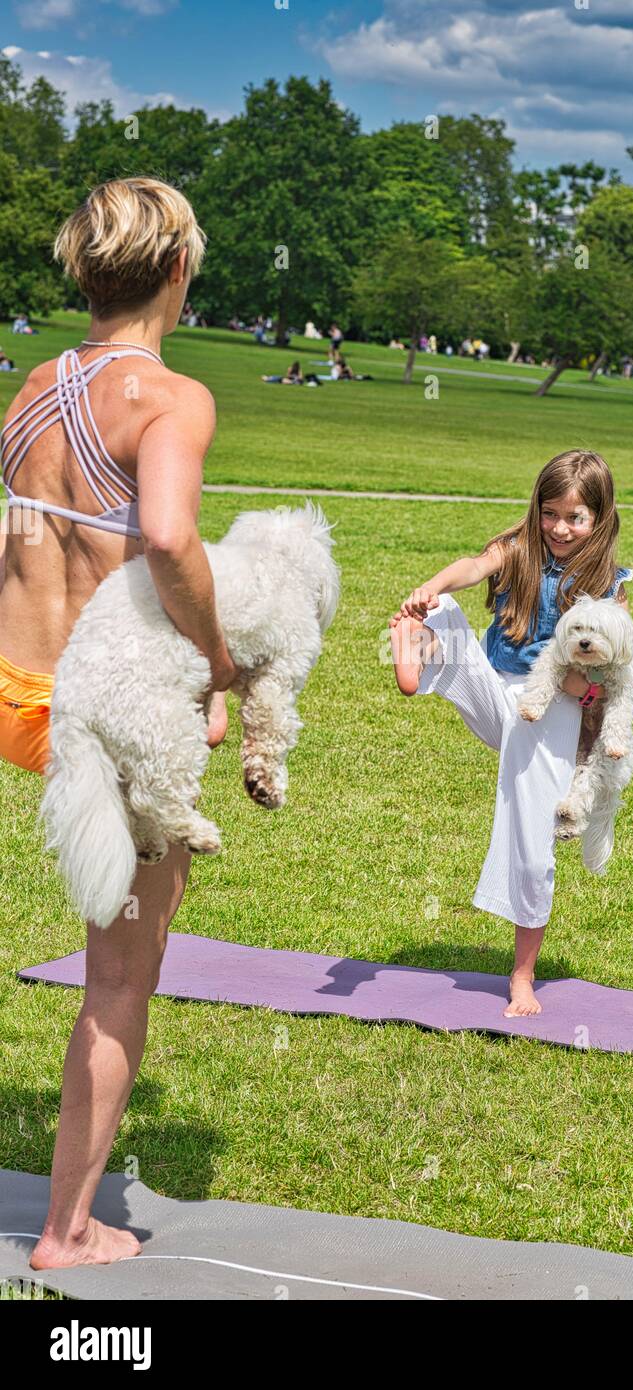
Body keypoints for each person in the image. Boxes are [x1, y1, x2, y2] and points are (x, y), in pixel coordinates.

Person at [0, 175, 238, 1269]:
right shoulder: (170, 397)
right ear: (178, 271)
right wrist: (221, 663)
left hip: (14, 691)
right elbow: (172, 536)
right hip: (96, 715)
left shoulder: (33, 386)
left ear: (84, 273)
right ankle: (67, 1230)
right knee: (118, 974)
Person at [388, 449, 633, 1019]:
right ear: (538, 508)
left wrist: (592, 688)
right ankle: (423, 639)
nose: (559, 527)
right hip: (498, 688)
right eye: (551, 512)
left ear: (599, 520)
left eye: (575, 518)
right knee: (447, 607)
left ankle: (522, 976)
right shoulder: (518, 549)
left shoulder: (609, 582)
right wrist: (431, 586)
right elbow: (471, 567)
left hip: (551, 704)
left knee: (533, 840)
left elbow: (624, 658)